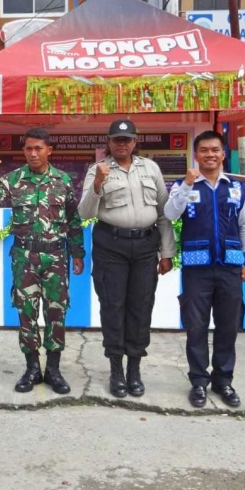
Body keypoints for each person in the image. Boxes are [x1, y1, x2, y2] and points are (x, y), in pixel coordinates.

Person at [0, 129, 85, 395]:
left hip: (56, 257)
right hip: (24, 257)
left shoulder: (62, 181)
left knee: (56, 312)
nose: (33, 153)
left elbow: (73, 219)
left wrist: (78, 253)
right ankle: (31, 369)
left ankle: (53, 369)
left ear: (49, 150)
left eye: (38, 148)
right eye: (28, 149)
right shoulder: (13, 180)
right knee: (26, 313)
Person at [78, 119, 175, 398]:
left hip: (146, 246)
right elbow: (85, 213)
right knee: (113, 306)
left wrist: (167, 253)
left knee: (141, 307)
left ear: (134, 141)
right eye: (117, 139)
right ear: (108, 142)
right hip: (111, 247)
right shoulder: (97, 170)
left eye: (127, 139)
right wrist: (98, 183)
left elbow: (163, 213)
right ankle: (116, 369)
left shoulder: (151, 168)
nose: (122, 144)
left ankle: (134, 368)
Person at [164, 131, 245, 408]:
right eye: (204, 150)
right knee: (196, 327)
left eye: (215, 150)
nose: (210, 155)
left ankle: (223, 381)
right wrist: (187, 186)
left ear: (223, 153)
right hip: (196, 267)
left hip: (231, 267)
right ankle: (199, 382)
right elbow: (170, 214)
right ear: (196, 154)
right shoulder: (183, 185)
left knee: (228, 326)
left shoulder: (236, 188)